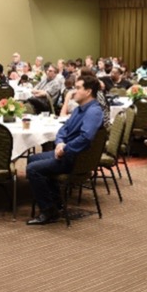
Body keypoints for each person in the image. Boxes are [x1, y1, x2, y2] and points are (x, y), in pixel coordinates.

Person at [26, 76, 103, 226]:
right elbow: (64, 128)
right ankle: (56, 202)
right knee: (32, 159)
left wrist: (65, 148)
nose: (74, 91)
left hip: (76, 159)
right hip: (67, 152)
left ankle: (48, 211)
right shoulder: (80, 109)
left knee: (32, 169)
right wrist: (60, 143)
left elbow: (86, 137)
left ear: (88, 91)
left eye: (78, 88)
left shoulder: (93, 111)